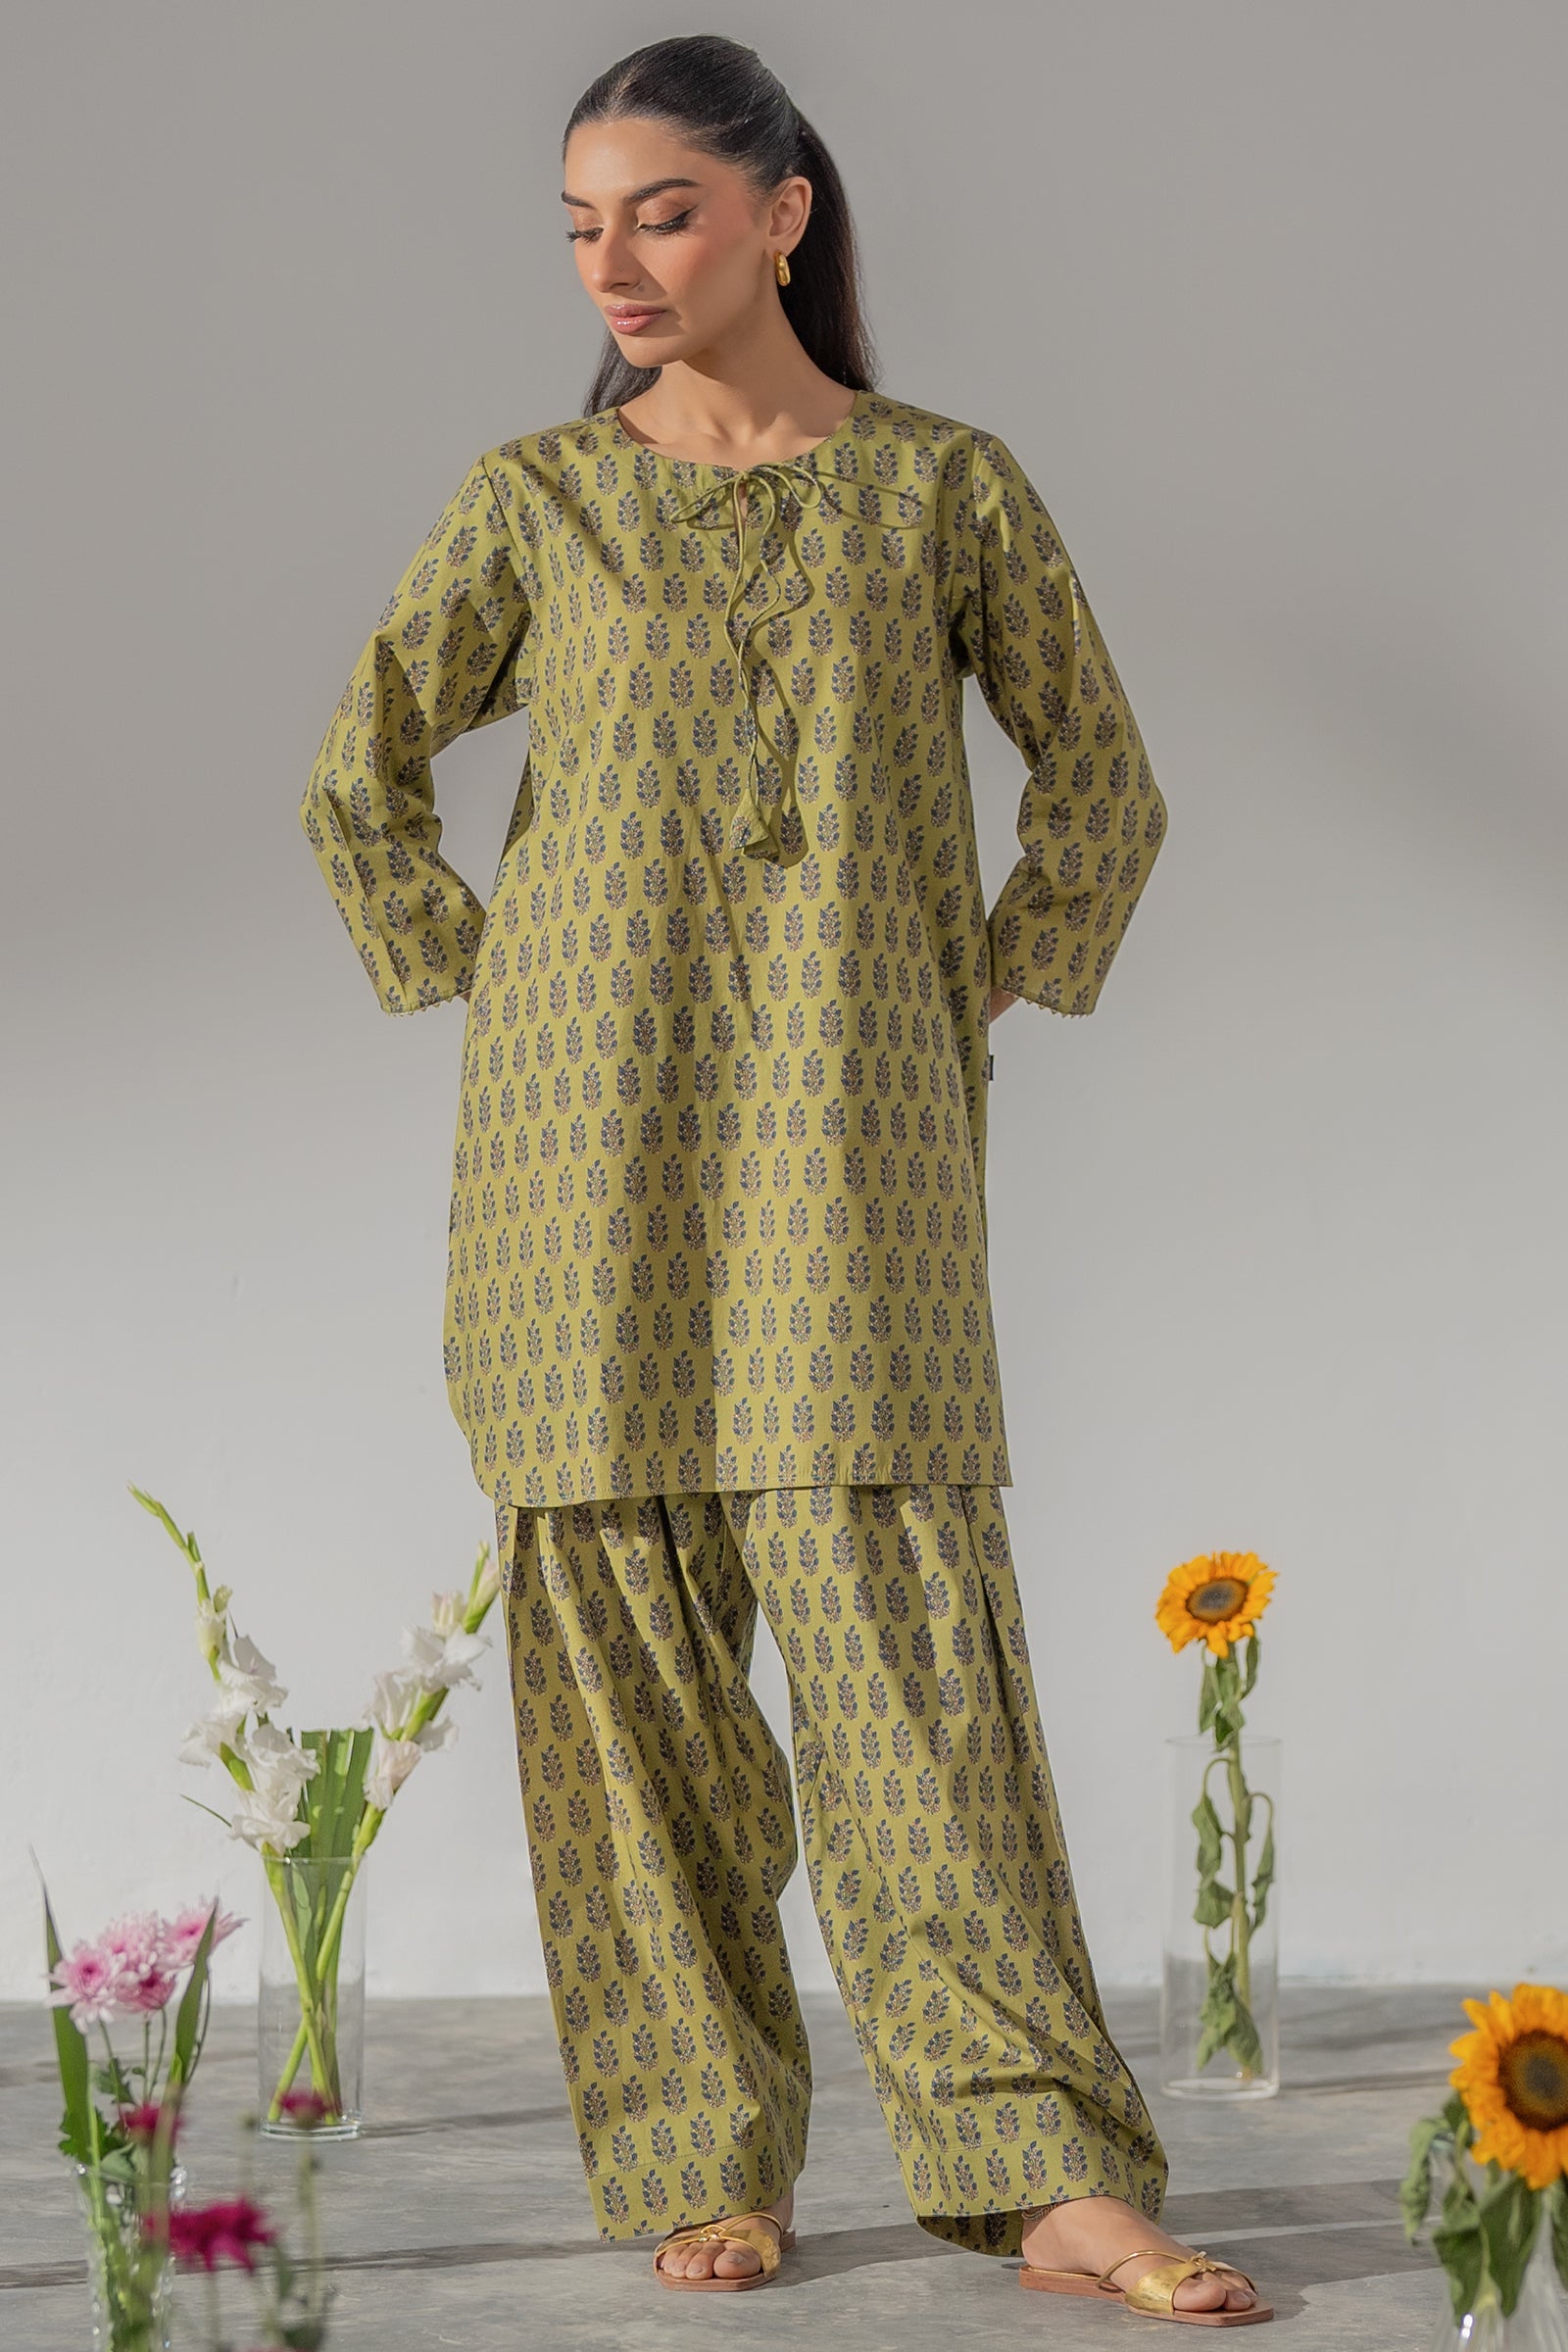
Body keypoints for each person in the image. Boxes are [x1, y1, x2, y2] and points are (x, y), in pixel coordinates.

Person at [299, 29, 1269, 2329]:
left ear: (779, 214)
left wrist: (978, 980)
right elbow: (358, 781)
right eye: (580, 226)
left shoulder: (940, 489)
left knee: (908, 1669)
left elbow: (1101, 782)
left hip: (854, 1156)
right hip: (579, 1168)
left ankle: (1043, 2174)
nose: (615, 263)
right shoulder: (535, 500)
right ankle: (700, 2158)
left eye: (660, 211)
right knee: (625, 1674)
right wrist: (500, 979)